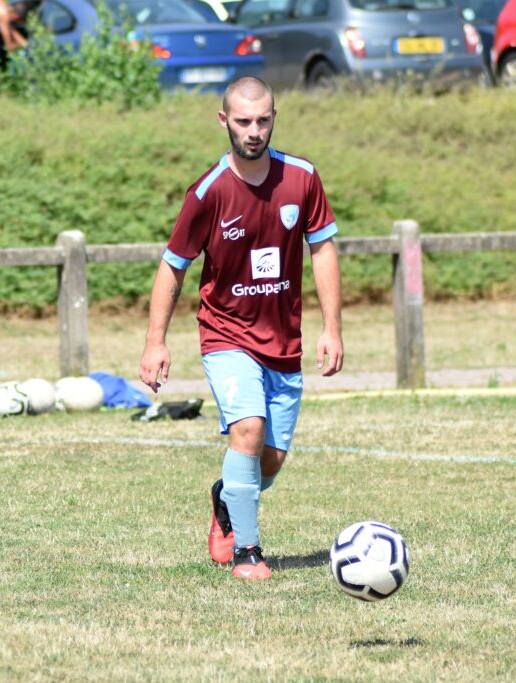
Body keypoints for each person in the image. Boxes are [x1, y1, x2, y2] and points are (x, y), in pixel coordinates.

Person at [138, 76, 343, 581]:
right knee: (247, 431)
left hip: (284, 344)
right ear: (224, 120)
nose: (254, 131)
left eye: (263, 120)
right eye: (244, 121)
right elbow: (173, 265)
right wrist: (155, 341)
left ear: (274, 118)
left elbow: (323, 249)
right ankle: (248, 552)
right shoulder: (208, 192)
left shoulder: (301, 178)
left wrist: (331, 328)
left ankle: (226, 498)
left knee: (269, 459)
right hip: (226, 335)